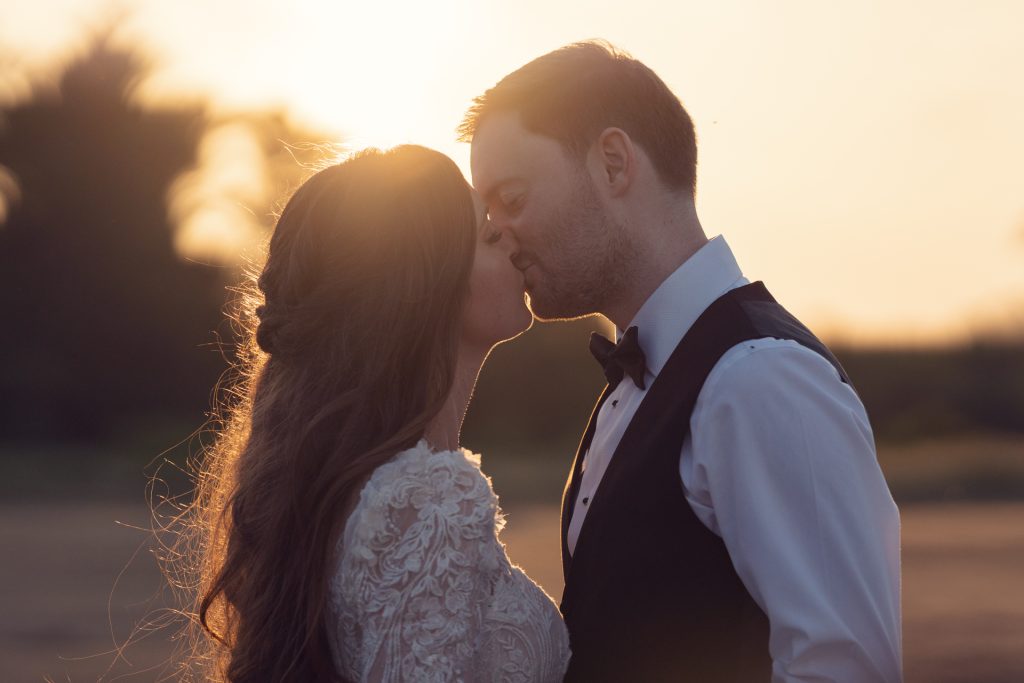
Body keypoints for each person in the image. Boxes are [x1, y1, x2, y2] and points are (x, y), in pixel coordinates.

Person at [461, 40, 903, 682]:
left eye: (514, 196)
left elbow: (846, 669)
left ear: (613, 164)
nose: (499, 229)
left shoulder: (759, 377)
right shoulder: (642, 381)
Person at [178, 145, 570, 682]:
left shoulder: (364, 487)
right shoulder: (426, 501)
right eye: (487, 235)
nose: (514, 242)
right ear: (426, 287)